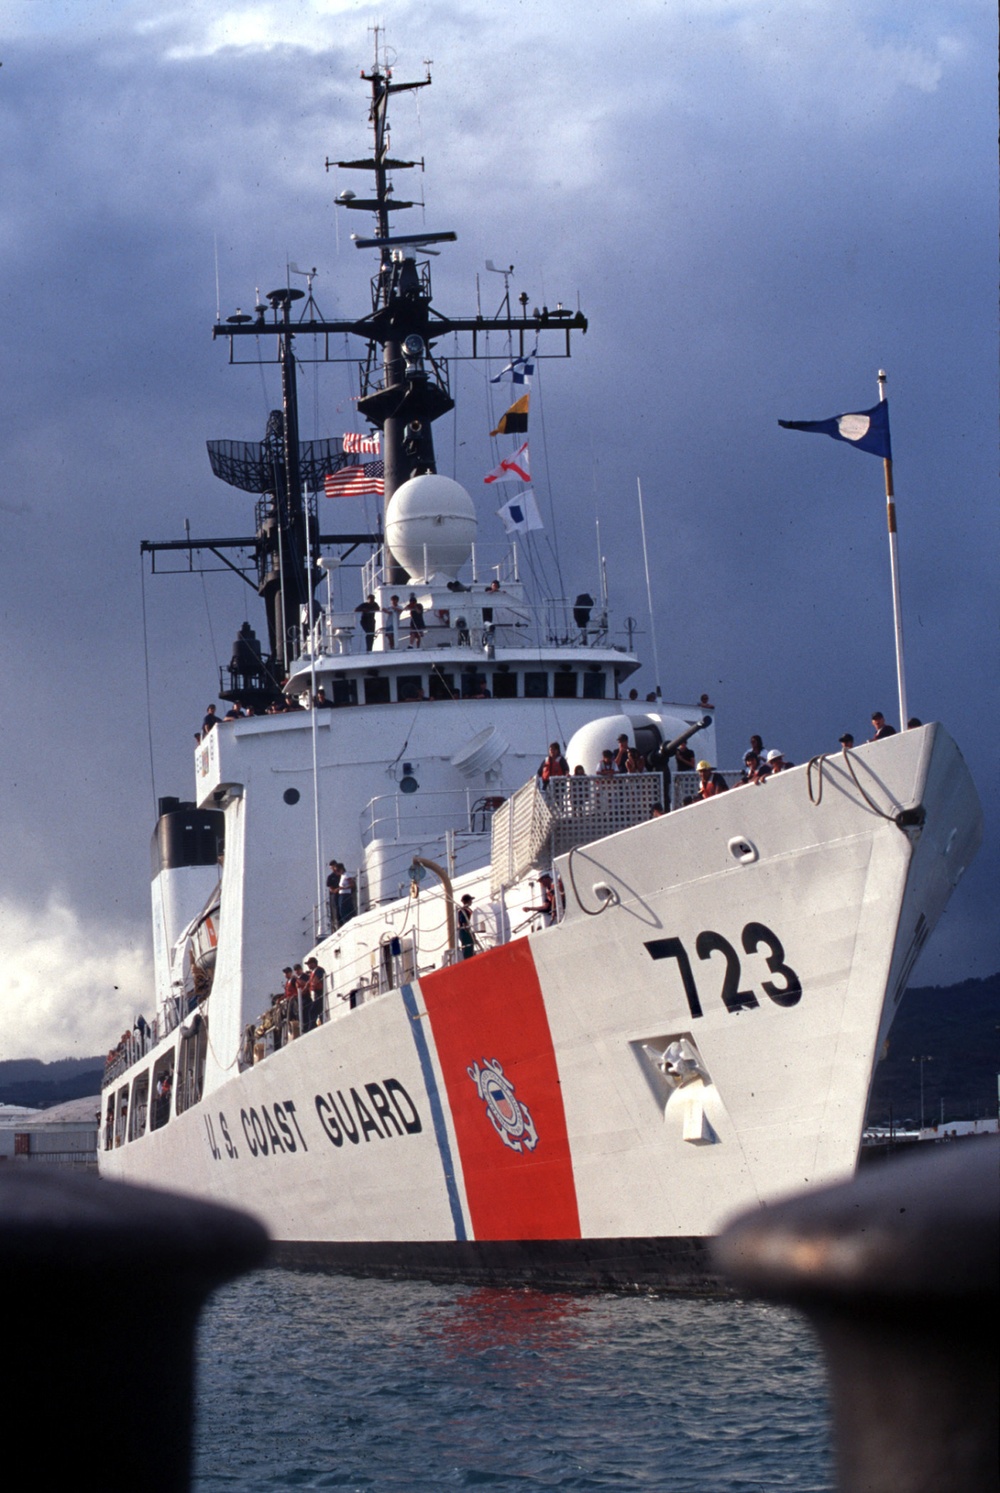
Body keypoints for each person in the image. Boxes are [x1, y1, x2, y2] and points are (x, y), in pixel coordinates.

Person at [304, 956, 326, 1032]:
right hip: (315, 994)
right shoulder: (313, 972)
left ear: (314, 964)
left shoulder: (319, 970)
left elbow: (317, 980)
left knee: (312, 1011)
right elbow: (311, 981)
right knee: (317, 1011)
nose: (308, 966)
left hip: (320, 993)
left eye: (309, 964)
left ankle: (312, 1027)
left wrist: (311, 983)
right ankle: (318, 1023)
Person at [457, 894, 476, 959]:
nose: (471, 901)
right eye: (470, 900)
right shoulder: (463, 911)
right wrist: (469, 932)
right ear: (468, 901)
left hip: (466, 932)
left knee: (470, 948)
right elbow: (463, 923)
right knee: (467, 949)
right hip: (465, 933)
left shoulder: (465, 910)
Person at [326, 862, 341, 929]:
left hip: (343, 893)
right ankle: (338, 922)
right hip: (335, 894)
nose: (333, 869)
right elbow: (330, 887)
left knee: (342, 907)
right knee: (336, 908)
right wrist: (335, 890)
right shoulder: (331, 877)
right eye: (331, 868)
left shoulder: (341, 874)